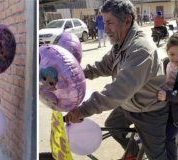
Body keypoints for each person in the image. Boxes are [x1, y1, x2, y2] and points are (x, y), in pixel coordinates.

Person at [64, 0, 168, 159]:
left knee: (158, 155)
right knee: (113, 125)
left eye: (109, 22)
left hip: (149, 111)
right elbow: (103, 66)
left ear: (127, 20)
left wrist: (82, 110)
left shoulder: (141, 50)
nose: (105, 29)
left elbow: (117, 91)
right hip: (129, 104)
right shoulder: (121, 43)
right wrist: (76, 74)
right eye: (104, 23)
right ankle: (133, 153)